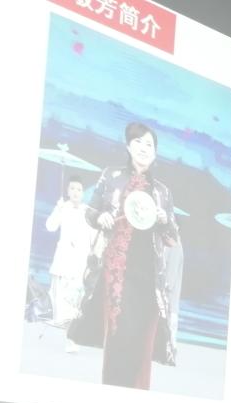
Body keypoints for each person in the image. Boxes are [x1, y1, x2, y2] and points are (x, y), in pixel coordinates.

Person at [69, 122, 180, 389]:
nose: (143, 148)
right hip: (117, 271)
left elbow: (172, 237)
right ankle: (113, 391)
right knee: (119, 334)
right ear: (128, 147)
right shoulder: (111, 176)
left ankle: (136, 396)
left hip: (149, 277)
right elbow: (90, 212)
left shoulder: (162, 191)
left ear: (155, 153)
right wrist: (102, 217)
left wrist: (164, 220)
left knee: (142, 340)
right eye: (138, 142)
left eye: (149, 144)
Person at [44, 176, 96, 348]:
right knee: (61, 302)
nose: (75, 192)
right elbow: (50, 226)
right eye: (72, 188)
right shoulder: (62, 208)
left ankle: (72, 339)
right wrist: (57, 209)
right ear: (67, 190)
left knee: (76, 302)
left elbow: (93, 238)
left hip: (80, 263)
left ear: (83, 193)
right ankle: (66, 336)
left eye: (79, 189)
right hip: (63, 261)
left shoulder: (87, 211)